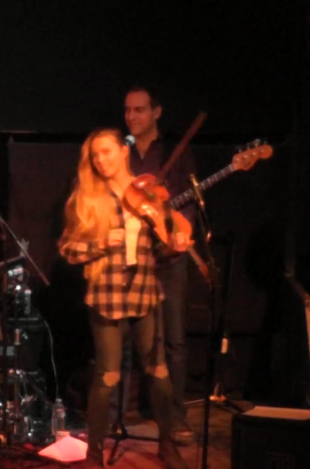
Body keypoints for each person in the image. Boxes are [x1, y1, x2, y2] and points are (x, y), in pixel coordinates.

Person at [58, 128, 189, 469]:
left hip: (144, 291)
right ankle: (94, 455)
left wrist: (173, 244)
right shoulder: (88, 197)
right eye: (95, 156)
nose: (100, 160)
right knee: (108, 375)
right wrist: (100, 244)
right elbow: (68, 249)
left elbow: (157, 247)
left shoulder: (148, 191)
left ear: (123, 151)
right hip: (107, 294)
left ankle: (167, 444)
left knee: (158, 372)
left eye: (106, 152)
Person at [124, 85, 198, 446]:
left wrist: (181, 234)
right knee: (130, 337)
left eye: (139, 110)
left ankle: (175, 416)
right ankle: (130, 410)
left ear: (156, 112)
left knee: (173, 339)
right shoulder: (121, 153)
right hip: (134, 256)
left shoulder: (174, 152)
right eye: (128, 110)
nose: (132, 117)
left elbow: (189, 198)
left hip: (169, 257)